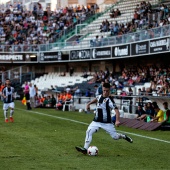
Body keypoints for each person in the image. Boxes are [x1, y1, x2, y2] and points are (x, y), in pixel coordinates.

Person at [75, 83, 133, 154]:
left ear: (109, 90)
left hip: (107, 123)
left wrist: (117, 120)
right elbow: (96, 99)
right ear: (102, 89)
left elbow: (117, 110)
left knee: (115, 137)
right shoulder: (99, 96)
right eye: (104, 90)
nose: (105, 92)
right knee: (89, 131)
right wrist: (89, 104)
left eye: (107, 91)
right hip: (96, 121)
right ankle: (85, 149)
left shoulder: (110, 100)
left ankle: (123, 136)